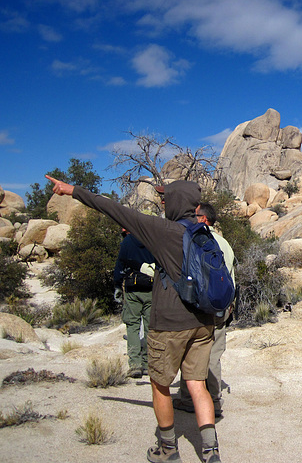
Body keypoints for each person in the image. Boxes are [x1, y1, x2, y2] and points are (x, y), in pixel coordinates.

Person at [45, 175, 222, 463]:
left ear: (177, 201)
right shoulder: (204, 232)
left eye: (166, 197)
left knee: (160, 384)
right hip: (203, 323)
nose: (163, 201)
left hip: (169, 324)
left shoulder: (163, 230)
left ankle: (167, 448)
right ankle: (210, 450)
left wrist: (73, 190)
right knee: (197, 384)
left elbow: (113, 208)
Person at [173, 203, 235, 418]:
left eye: (195, 215)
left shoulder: (192, 239)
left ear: (202, 219)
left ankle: (188, 399)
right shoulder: (225, 243)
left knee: (189, 351)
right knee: (214, 354)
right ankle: (215, 400)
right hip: (220, 308)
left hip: (197, 308)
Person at [114, 228, 155, 378]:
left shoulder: (126, 242)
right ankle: (149, 363)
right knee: (150, 326)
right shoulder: (152, 240)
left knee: (132, 326)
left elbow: (120, 265)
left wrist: (117, 285)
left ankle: (135, 364)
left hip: (132, 288)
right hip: (151, 288)